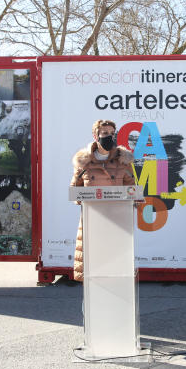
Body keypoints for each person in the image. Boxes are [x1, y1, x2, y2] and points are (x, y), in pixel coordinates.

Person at [70, 119, 136, 281]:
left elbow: (132, 189)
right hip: (92, 220)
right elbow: (74, 190)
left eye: (112, 134)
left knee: (114, 270)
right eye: (105, 133)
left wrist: (129, 199)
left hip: (116, 220)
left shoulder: (123, 161)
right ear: (95, 136)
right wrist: (84, 199)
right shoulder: (84, 162)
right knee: (93, 273)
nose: (109, 137)